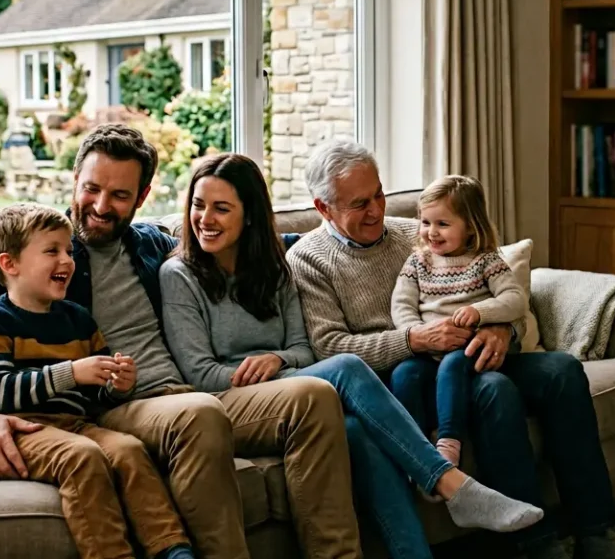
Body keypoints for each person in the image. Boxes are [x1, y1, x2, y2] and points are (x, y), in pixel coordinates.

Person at [0, 123, 362, 559]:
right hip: (120, 405)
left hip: (193, 392)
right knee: (199, 413)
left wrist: (334, 233)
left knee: (314, 394)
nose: (100, 206)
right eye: (91, 188)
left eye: (120, 196)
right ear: (74, 180)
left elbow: (240, 242)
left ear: (142, 196)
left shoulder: (153, 245)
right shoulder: (42, 254)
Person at [160, 153, 544, 559]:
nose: (205, 218)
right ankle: (447, 481)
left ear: (250, 215)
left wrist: (278, 360)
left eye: (221, 208)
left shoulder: (275, 268)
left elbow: (303, 350)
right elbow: (200, 375)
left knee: (355, 432)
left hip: (298, 390)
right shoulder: (179, 275)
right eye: (198, 205)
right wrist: (267, 371)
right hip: (231, 398)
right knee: (346, 366)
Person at [288, 140, 615, 559]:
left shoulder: (418, 232)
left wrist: (501, 330)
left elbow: (495, 286)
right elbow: (329, 349)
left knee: (562, 372)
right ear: (323, 208)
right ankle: (532, 542)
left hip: (467, 352)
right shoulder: (307, 260)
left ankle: (594, 530)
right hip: (403, 378)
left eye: (378, 194)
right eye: (359, 204)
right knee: (495, 392)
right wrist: (413, 340)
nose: (376, 210)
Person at [0, 202, 194, 559]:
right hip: (25, 429)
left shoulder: (78, 319)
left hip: (79, 422)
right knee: (83, 457)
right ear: (10, 264)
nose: (67, 260)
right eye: (52, 251)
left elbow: (95, 390)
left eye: (69, 250)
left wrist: (117, 383)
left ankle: (173, 550)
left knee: (130, 450)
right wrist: (71, 372)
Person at [389, 175, 534, 470]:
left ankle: (449, 441)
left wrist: (480, 312)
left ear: (470, 227)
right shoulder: (418, 262)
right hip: (427, 351)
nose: (432, 232)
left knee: (455, 363)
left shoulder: (485, 260)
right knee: (404, 374)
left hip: (470, 348)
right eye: (426, 222)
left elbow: (515, 298)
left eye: (443, 224)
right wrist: (417, 334)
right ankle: (412, 454)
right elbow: (401, 304)